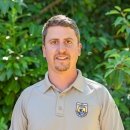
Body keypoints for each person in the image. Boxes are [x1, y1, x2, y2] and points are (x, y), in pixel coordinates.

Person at [9, 15, 124, 130]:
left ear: (79, 49)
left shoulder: (100, 96)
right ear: (44, 50)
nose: (61, 49)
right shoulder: (27, 98)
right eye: (54, 42)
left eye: (68, 41)